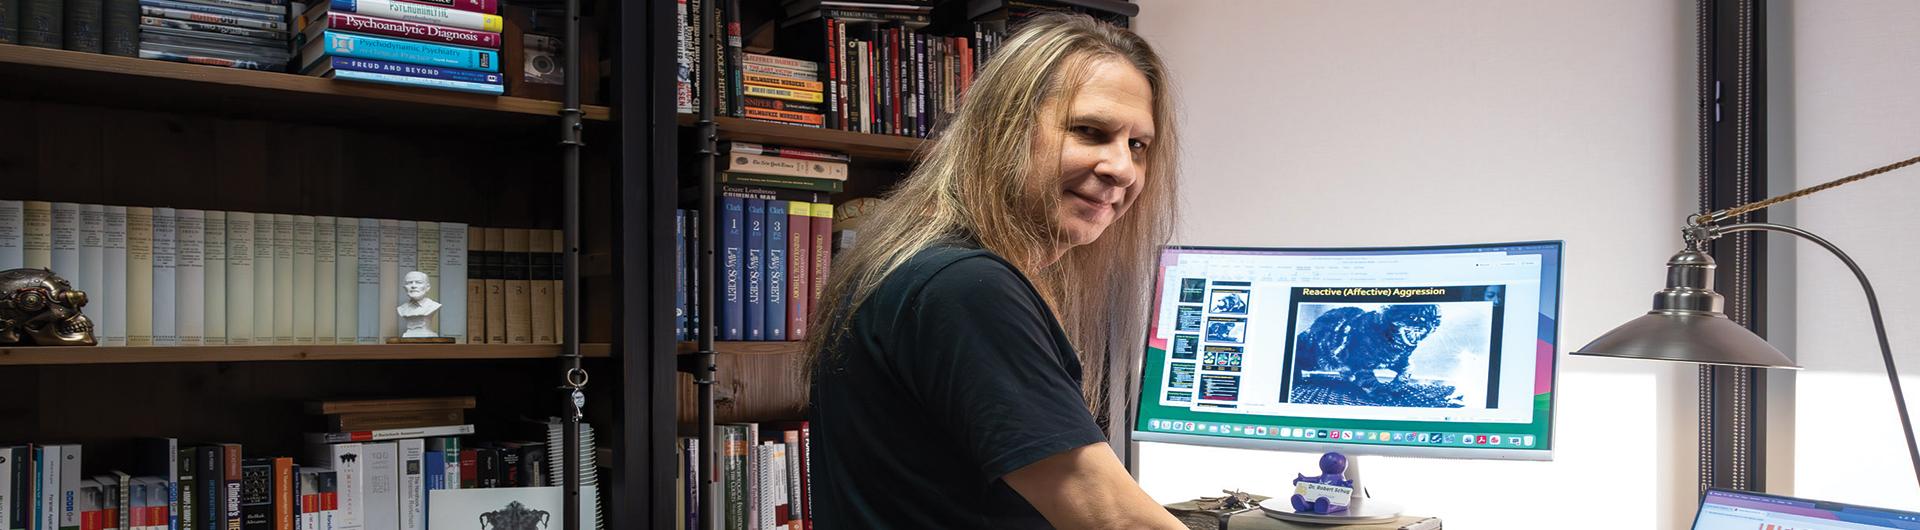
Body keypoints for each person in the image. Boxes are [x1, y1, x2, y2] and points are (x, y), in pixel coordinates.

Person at [803, 12, 1185, 529]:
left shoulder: (919, 262)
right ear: (1002, 128)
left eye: (1137, 145)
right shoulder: (965, 287)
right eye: (1089, 131)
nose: (1121, 168)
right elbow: (1112, 518)